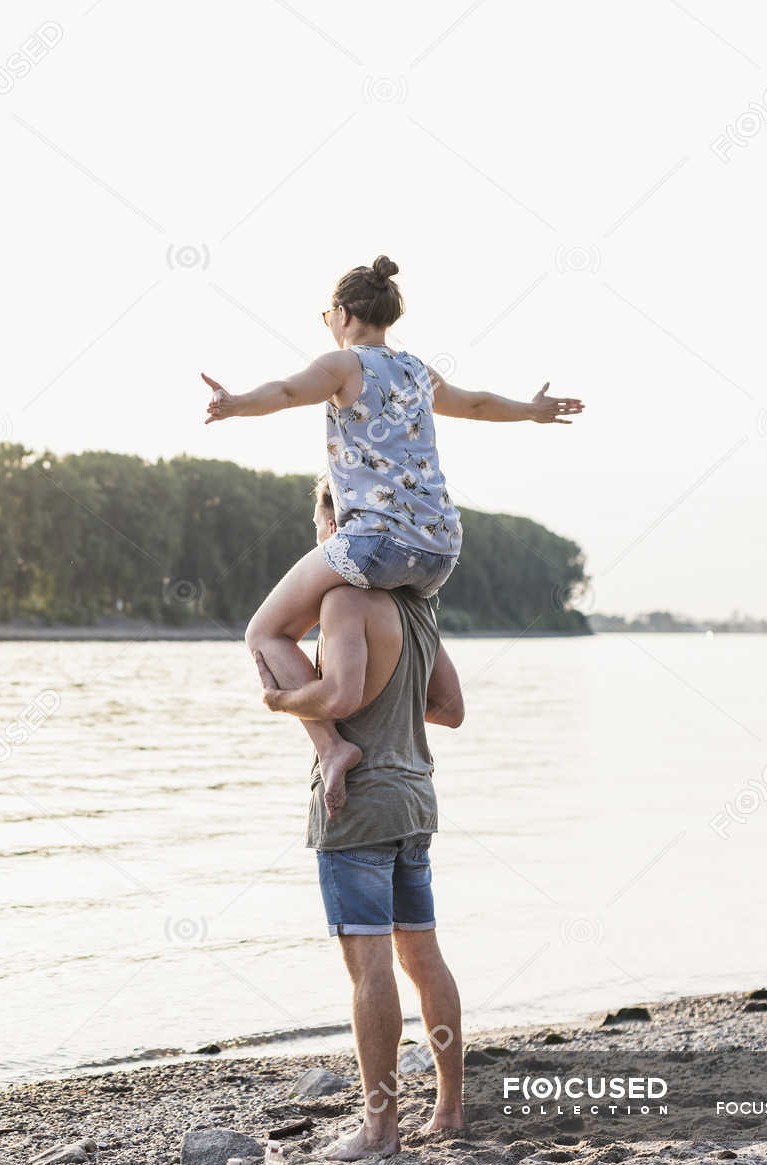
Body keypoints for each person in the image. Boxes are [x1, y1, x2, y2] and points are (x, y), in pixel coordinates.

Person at [204, 254, 581, 817]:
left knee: (264, 632)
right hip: (440, 549)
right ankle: (386, 713)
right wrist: (531, 411)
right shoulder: (416, 371)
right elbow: (475, 404)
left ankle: (332, 746)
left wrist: (235, 405)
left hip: (375, 543)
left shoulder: (341, 365)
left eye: (327, 313)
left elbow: (284, 392)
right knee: (386, 623)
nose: (327, 321)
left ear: (346, 313)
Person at [252, 477, 467, 1159]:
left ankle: (380, 1129)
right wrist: (395, 712)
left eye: (321, 524)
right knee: (423, 959)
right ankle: (451, 1109)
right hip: (415, 799)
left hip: (360, 806)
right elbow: (451, 707)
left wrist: (285, 701)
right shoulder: (418, 607)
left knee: (369, 970)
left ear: (335, 526)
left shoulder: (343, 597)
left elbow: (340, 690)